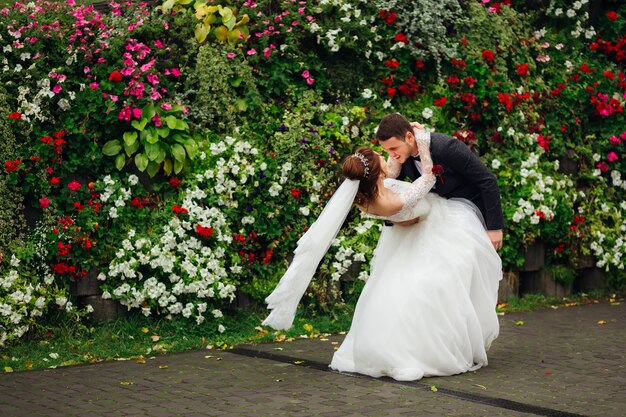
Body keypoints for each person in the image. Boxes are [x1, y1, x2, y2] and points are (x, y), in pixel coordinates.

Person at [262, 128, 502, 381]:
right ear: (375, 172)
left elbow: (394, 201)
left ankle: (409, 343)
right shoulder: (389, 199)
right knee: (432, 290)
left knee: (404, 289)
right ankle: (422, 351)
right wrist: (422, 140)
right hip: (430, 230)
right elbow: (428, 180)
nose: (388, 157)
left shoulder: (372, 192)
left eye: (389, 151)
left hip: (418, 232)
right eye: (382, 155)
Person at [376, 113, 504, 251]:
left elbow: (487, 180)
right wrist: (393, 218)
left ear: (409, 137)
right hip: (441, 219)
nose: (391, 155)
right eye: (387, 150)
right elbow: (391, 193)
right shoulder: (402, 159)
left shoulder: (446, 147)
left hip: (472, 212)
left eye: (393, 148)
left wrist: (495, 228)